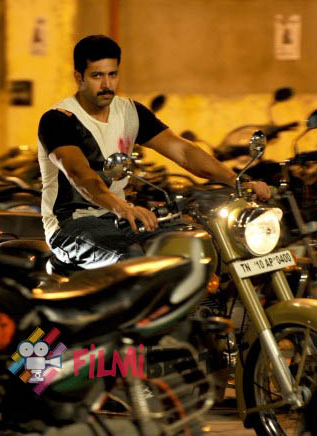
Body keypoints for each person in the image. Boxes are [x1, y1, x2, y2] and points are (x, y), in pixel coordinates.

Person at [37, 35, 270, 270]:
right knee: (133, 261)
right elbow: (80, 174)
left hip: (118, 219)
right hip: (71, 225)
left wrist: (237, 181)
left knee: (194, 244)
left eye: (112, 74)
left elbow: (184, 152)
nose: (107, 85)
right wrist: (122, 207)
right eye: (97, 76)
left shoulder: (130, 112)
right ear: (79, 77)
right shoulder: (58, 119)